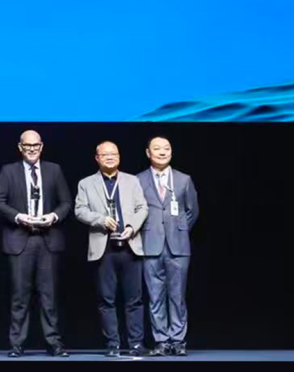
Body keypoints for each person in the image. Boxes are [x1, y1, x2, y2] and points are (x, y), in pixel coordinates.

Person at [0, 130, 72, 357]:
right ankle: (17, 344)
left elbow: (66, 202)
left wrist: (53, 217)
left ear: (42, 146)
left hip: (48, 240)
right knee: (20, 296)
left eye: (35, 145)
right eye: (27, 146)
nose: (32, 149)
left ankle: (54, 343)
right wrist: (19, 217)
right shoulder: (9, 171)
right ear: (20, 147)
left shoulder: (54, 170)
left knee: (49, 296)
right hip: (19, 239)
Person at [74, 141, 148, 357]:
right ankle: (112, 345)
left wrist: (132, 227)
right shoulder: (86, 183)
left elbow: (142, 207)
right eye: (105, 154)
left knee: (134, 299)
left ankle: (136, 344)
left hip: (130, 246)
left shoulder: (132, 180)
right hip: (103, 248)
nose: (110, 157)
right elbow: (79, 210)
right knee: (106, 299)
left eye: (114, 154)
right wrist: (100, 219)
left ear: (119, 157)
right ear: (97, 158)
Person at [138, 136, 200, 356]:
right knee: (155, 297)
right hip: (150, 245)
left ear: (171, 152)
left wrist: (178, 230)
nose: (162, 152)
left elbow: (192, 211)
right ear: (148, 153)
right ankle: (162, 341)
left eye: (166, 148)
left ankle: (178, 340)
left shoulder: (183, 180)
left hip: (178, 247)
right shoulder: (138, 180)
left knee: (177, 296)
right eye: (157, 148)